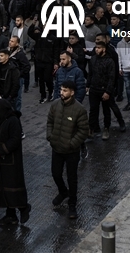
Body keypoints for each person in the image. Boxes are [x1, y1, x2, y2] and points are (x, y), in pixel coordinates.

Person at [46, 80, 90, 220]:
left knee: (72, 178)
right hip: (57, 148)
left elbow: (83, 131)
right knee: (56, 174)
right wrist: (50, 137)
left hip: (71, 151)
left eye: (65, 90)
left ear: (72, 92)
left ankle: (72, 204)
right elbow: (50, 122)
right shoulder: (55, 105)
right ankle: (63, 192)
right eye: (61, 90)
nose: (62, 92)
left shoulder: (79, 109)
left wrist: (72, 144)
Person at [0, 98, 30, 225]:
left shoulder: (13, 121)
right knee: (5, 188)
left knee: (13, 187)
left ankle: (23, 207)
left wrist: (1, 150)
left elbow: (15, 140)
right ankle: (11, 215)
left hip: (11, 162)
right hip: (1, 162)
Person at [86, 38, 126, 139]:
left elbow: (111, 78)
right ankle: (92, 128)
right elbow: (90, 73)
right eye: (96, 48)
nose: (96, 50)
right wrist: (87, 85)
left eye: (99, 48)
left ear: (104, 49)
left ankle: (107, 128)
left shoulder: (109, 61)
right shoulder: (93, 59)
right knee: (93, 110)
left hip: (105, 90)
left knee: (107, 109)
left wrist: (108, 92)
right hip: (94, 88)